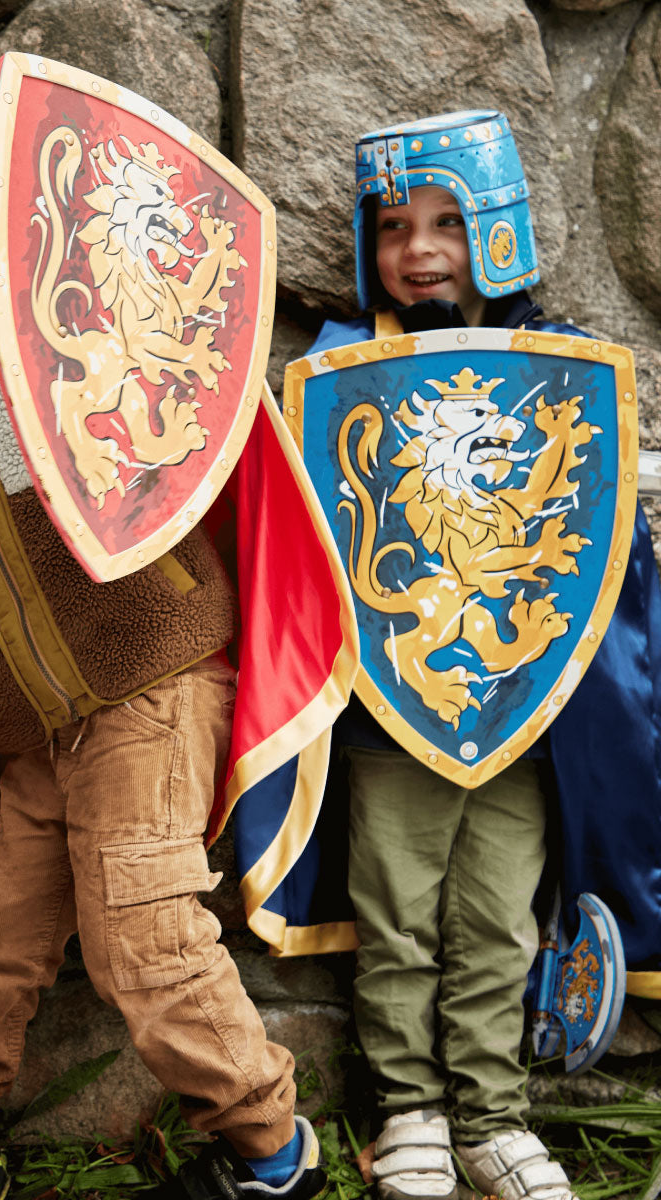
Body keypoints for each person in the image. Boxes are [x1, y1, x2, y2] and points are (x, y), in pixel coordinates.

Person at [0, 101, 335, 1200]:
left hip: (153, 682)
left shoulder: (69, 348)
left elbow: (175, 436)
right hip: (39, 729)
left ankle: (273, 1153)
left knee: (141, 930)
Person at [292, 110, 661, 1200]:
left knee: (502, 913)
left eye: (448, 222)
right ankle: (409, 1107)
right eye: (396, 225)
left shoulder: (559, 373)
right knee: (396, 910)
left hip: (523, 698)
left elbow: (598, 546)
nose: (420, 250)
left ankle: (492, 1118)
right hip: (393, 697)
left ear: (494, 226)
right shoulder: (336, 372)